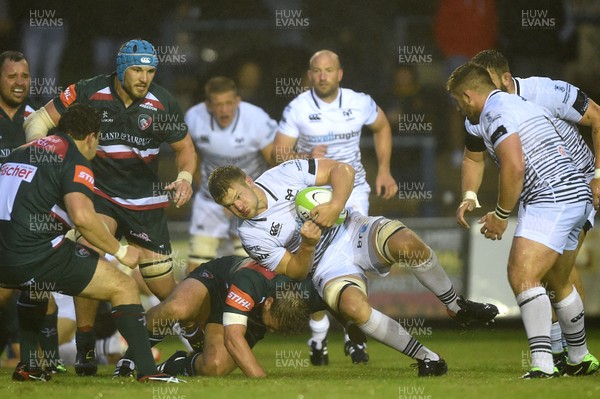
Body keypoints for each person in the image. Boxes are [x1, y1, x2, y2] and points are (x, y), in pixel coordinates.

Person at [208, 159, 499, 377]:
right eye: (229, 206)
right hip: (324, 264)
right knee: (355, 310)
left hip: (350, 229)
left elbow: (343, 170)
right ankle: (428, 358)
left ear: (247, 180)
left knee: (408, 244)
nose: (239, 207)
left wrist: (335, 205)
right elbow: (295, 272)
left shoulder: (282, 173)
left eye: (237, 196)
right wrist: (308, 245)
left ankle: (456, 306)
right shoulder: (250, 235)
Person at [23, 38, 197, 375]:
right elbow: (41, 120)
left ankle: (195, 336)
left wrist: (186, 177)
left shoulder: (162, 102)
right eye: (136, 70)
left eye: (150, 70)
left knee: (165, 288)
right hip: (99, 194)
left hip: (145, 201)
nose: (144, 78)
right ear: (120, 69)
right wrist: (40, 157)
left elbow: (185, 148)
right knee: (89, 253)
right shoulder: (89, 91)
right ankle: (86, 347)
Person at [0, 103, 181, 383]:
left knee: (34, 287)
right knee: (123, 287)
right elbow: (83, 217)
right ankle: (149, 373)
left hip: (6, 257)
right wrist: (120, 251)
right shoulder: (73, 157)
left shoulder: (20, 152)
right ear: (92, 137)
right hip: (31, 253)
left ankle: (28, 366)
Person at [447, 62, 598, 378]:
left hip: (553, 196)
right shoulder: (513, 103)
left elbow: (514, 166)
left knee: (522, 273)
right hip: (573, 193)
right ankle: (580, 357)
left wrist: (501, 215)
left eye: (458, 102)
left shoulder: (495, 112)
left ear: (468, 95)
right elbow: (480, 156)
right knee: (558, 280)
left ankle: (544, 365)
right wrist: (471, 195)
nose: (459, 109)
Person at [272, 49, 398, 365]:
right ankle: (318, 336)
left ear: (339, 73)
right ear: (310, 74)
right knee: (315, 263)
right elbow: (278, 154)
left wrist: (384, 169)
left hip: (353, 191)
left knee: (354, 259)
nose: (323, 75)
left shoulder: (359, 102)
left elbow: (382, 127)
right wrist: (307, 157)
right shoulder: (297, 108)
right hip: (311, 195)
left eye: (329, 70)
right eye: (317, 70)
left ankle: (354, 336)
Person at [131, 255, 314, 378]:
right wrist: (263, 382)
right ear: (269, 303)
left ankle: (176, 364)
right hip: (218, 282)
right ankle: (133, 349)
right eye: (272, 326)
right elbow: (233, 337)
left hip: (248, 312)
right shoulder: (251, 281)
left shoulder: (308, 291)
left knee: (215, 366)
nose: (272, 331)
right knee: (176, 308)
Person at [185, 76, 276, 274]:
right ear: (208, 105)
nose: (224, 110)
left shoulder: (257, 119)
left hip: (247, 202)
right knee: (195, 268)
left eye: (228, 103)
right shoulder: (194, 118)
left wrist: (250, 197)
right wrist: (209, 191)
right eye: (218, 104)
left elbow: (274, 160)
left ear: (237, 101)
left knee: (247, 269)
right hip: (209, 203)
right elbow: (189, 152)